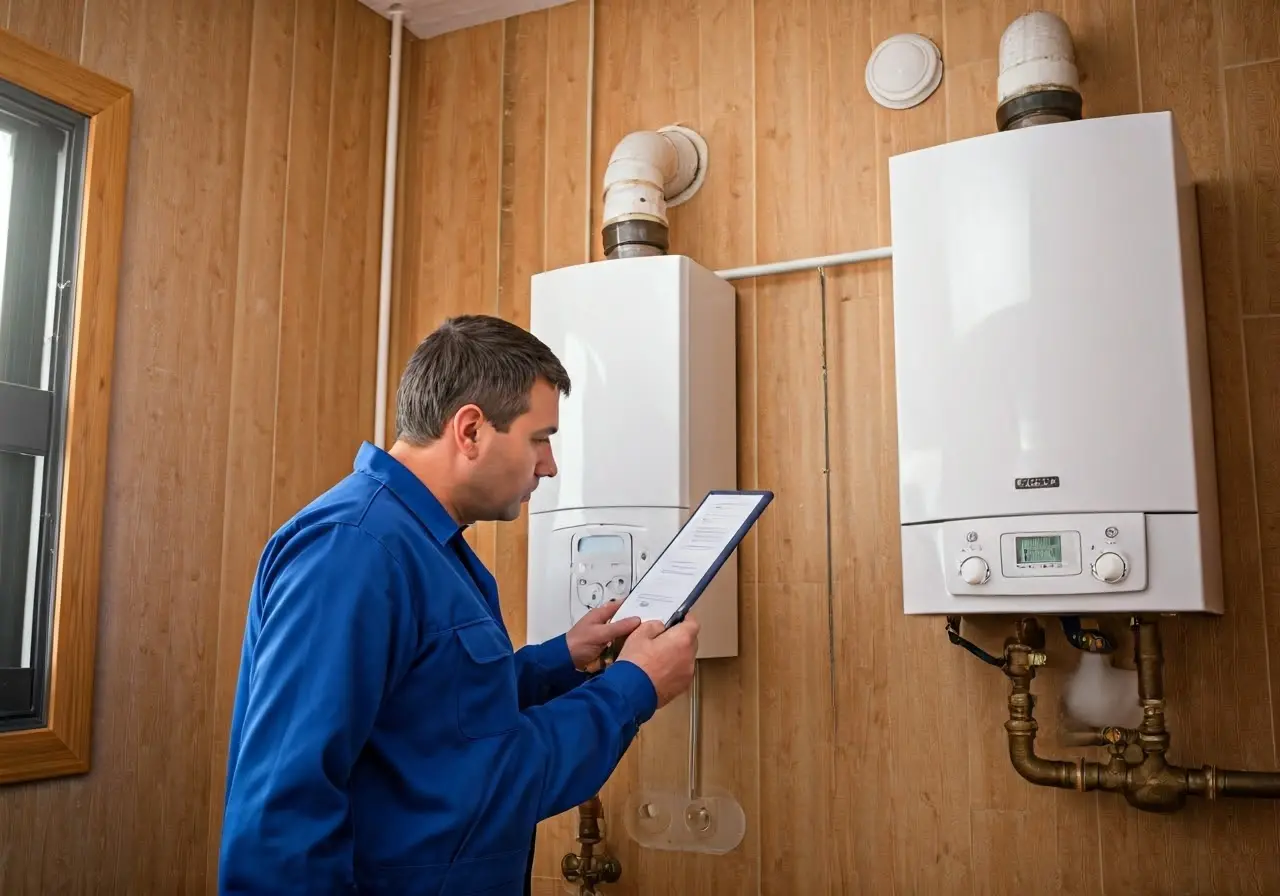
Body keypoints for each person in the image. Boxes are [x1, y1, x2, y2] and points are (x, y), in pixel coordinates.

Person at [218, 314, 701, 895]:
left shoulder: (424, 546)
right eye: (539, 438)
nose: (548, 466)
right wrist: (634, 686)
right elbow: (279, 816)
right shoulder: (354, 552)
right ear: (470, 429)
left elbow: (435, 717)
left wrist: (560, 660)